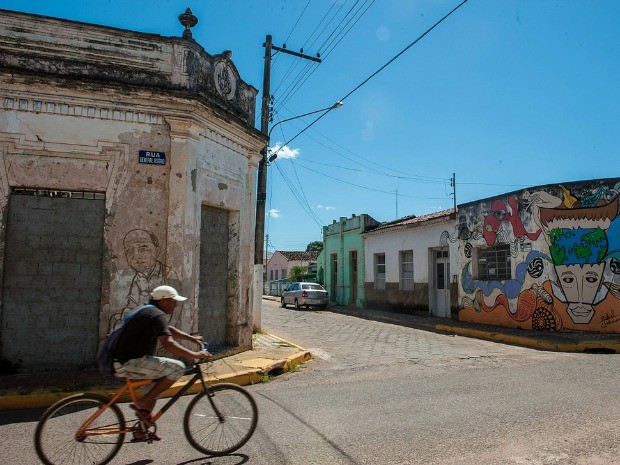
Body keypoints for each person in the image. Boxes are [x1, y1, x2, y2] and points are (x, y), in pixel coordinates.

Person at [113, 285, 210, 425]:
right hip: (131, 363)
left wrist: (191, 338)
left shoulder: (149, 311)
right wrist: (194, 354)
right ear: (163, 301)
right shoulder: (155, 314)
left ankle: (141, 430)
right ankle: (144, 402)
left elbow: (168, 329)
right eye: (173, 301)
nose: (175, 305)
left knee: (154, 389)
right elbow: (168, 343)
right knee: (178, 368)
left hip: (126, 361)